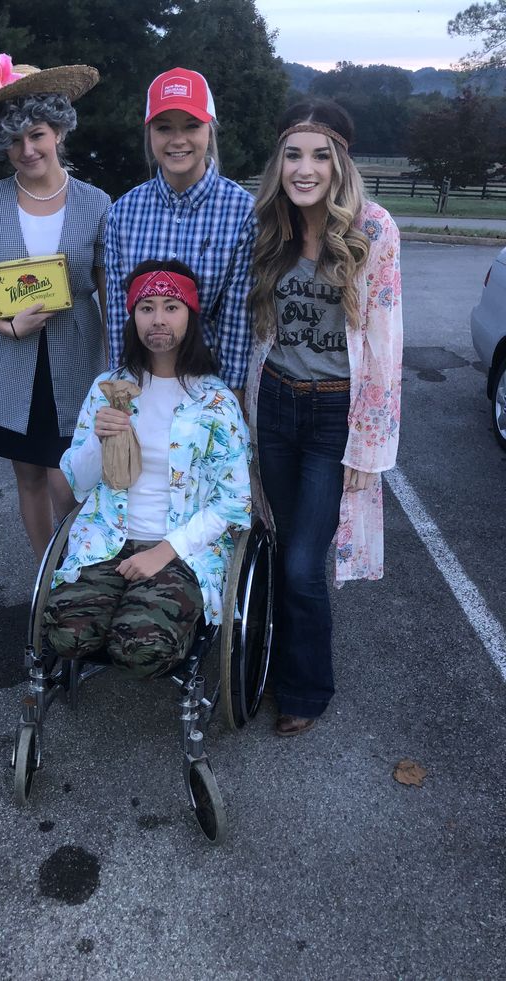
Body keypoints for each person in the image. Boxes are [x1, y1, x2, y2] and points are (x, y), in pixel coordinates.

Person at [246, 99, 403, 736]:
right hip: (275, 404)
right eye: (293, 154)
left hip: (334, 414)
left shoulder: (373, 228)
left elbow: (387, 339)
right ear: (278, 160)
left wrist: (371, 449)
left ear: (341, 161)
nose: (304, 169)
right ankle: (264, 665)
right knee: (275, 544)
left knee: (305, 565)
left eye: (319, 155)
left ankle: (305, 689)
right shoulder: (268, 225)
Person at [42, 260, 252, 678]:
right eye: (146, 307)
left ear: (190, 316)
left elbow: (234, 502)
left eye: (171, 307)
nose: (158, 319)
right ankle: (119, 611)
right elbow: (78, 486)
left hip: (182, 549)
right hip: (107, 538)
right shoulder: (109, 388)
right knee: (67, 636)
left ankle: (155, 620)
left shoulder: (214, 401)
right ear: (132, 316)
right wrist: (97, 443)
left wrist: (165, 550)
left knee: (140, 648)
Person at [0, 55, 111, 560]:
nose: (27, 149)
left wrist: (119, 366)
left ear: (58, 131)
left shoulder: (97, 203)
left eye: (36, 134)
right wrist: (7, 325)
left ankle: (78, 570)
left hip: (77, 361)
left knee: (70, 480)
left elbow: (108, 289)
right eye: (14, 140)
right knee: (29, 476)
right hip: (12, 366)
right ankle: (45, 574)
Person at [104, 68, 254, 399]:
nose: (178, 140)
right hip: (140, 383)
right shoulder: (123, 212)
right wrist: (119, 382)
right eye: (164, 128)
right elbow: (118, 310)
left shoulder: (243, 212)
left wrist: (232, 399)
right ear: (150, 134)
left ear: (210, 130)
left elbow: (237, 317)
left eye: (191, 126)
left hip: (207, 385)